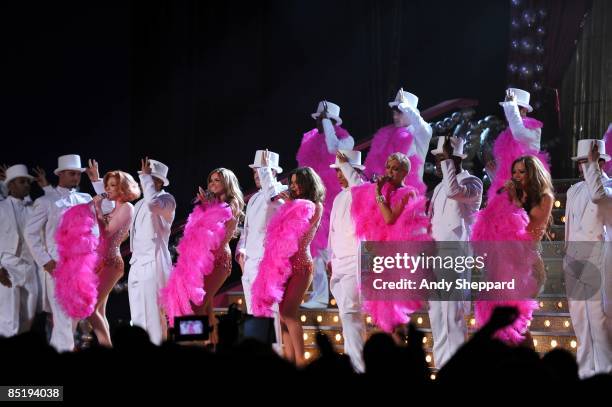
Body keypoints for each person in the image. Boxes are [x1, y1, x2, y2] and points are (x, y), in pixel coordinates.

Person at [88, 157, 175, 345]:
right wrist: (97, 182)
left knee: (153, 315)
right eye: (144, 178)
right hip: (136, 264)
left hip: (154, 263)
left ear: (158, 181)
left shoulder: (167, 200)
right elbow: (113, 208)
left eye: (149, 178)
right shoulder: (139, 204)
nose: (145, 181)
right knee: (138, 316)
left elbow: (154, 205)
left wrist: (144, 178)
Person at [251, 167, 324, 366]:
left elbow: (301, 229)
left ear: (308, 183)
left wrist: (291, 205)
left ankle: (301, 361)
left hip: (300, 266)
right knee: (282, 316)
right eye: (291, 182)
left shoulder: (314, 205)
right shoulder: (291, 206)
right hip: (284, 266)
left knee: (289, 314)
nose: (293, 186)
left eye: (297, 182)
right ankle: (289, 360)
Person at [162, 168, 243, 344]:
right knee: (206, 310)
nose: (212, 184)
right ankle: (209, 344)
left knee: (196, 308)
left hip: (219, 262)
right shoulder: (212, 205)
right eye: (211, 180)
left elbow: (217, 226)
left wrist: (208, 208)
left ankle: (190, 343)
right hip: (202, 262)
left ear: (227, 183)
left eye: (217, 180)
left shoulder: (232, 204)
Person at [25, 154, 92, 351]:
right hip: (57, 266)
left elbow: (96, 224)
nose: (76, 178)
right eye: (72, 174)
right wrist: (45, 261)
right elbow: (30, 233)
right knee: (62, 319)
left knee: (73, 318)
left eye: (78, 174)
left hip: (80, 267)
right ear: (61, 174)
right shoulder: (46, 201)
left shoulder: (85, 199)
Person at [427, 136, 483, 367]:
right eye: (439, 159)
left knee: (453, 315)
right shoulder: (439, 186)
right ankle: (441, 366)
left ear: (454, 159)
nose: (440, 163)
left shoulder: (473, 182)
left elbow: (454, 191)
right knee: (437, 316)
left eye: (443, 158)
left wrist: (449, 159)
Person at [297, 100, 354, 309]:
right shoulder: (311, 140)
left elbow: (334, 148)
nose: (320, 123)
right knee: (315, 249)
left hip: (338, 200)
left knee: (335, 250)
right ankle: (320, 296)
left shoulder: (346, 139)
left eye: (323, 119)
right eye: (320, 120)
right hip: (317, 199)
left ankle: (341, 293)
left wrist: (328, 122)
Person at [564, 139, 612, 377]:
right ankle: (584, 374)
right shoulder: (574, 190)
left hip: (597, 260)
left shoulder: (608, 188)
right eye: (582, 162)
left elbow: (598, 196)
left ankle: (604, 373)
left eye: (588, 161)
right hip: (575, 262)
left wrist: (594, 165)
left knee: (599, 324)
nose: (584, 166)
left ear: (600, 162)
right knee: (580, 324)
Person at [89, 170, 140, 346]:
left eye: (113, 186)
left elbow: (108, 232)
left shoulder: (127, 207)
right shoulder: (114, 206)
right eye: (107, 186)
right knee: (100, 312)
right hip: (103, 262)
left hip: (112, 263)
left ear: (123, 188)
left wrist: (96, 207)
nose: (109, 189)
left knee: (90, 310)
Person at [328, 150, 366, 372]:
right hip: (340, 263)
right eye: (338, 170)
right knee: (346, 317)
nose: (338, 174)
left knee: (352, 316)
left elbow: (358, 187)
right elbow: (334, 230)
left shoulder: (362, 190)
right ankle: (355, 364)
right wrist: (331, 256)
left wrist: (347, 167)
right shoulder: (340, 196)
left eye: (341, 170)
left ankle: (359, 367)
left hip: (355, 261)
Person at [0, 165, 48, 337]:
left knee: (28, 317)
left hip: (29, 268)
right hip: (6, 266)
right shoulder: (1, 207)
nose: (27, 185)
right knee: (7, 319)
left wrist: (46, 187)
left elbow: (54, 206)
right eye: (22, 182)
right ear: (11, 185)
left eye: (28, 182)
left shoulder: (34, 207)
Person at [363, 88, 432, 192]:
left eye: (400, 113)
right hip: (387, 191)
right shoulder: (388, 134)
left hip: (410, 192)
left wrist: (404, 105)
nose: (395, 116)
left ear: (411, 112)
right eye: (394, 113)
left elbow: (421, 124)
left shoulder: (421, 133)